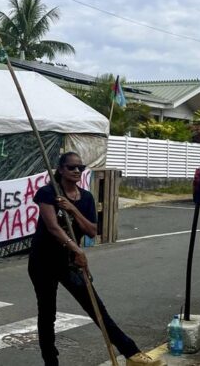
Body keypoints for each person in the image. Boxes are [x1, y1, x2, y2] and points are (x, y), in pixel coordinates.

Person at [29, 152, 160, 366]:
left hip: (70, 262)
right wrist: (76, 249)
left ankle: (131, 353)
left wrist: (72, 210)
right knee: (47, 312)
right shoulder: (48, 193)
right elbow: (53, 228)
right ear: (61, 169)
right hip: (43, 261)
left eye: (80, 168)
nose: (76, 171)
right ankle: (50, 362)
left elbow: (91, 231)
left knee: (96, 308)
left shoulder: (87, 197)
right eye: (71, 167)